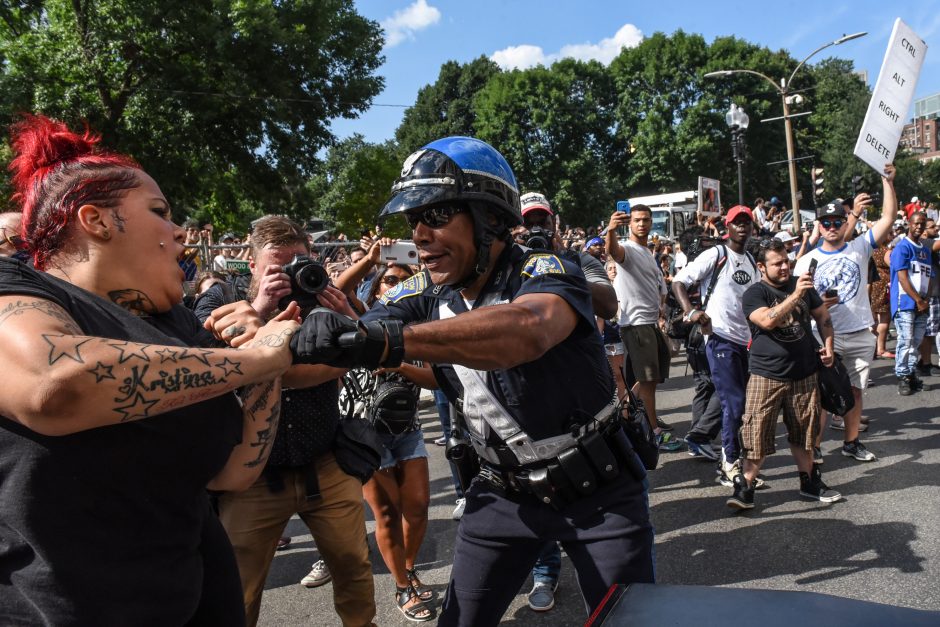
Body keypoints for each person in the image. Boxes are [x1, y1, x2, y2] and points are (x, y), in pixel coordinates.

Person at [289, 136, 654, 625]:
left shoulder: (546, 269)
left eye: (436, 215)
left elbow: (527, 329)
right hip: (502, 495)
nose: (419, 234)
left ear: (491, 219)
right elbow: (346, 344)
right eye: (412, 221)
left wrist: (382, 340)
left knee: (631, 621)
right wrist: (280, 336)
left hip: (599, 493)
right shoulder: (423, 289)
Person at [0, 114, 299, 624]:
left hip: (193, 597)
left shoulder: (175, 321)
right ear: (95, 220)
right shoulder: (18, 287)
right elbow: (53, 386)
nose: (180, 231)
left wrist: (269, 350)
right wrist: (255, 359)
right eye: (159, 211)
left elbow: (234, 472)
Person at [195, 215, 377, 627]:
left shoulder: (322, 301)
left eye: (301, 263)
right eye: (279, 267)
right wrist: (259, 308)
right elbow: (202, 364)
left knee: (354, 568)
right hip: (253, 478)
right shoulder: (220, 300)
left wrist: (347, 313)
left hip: (326, 462)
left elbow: (361, 354)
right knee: (236, 588)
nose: (293, 275)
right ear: (252, 265)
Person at [518, 191, 619, 613]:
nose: (537, 228)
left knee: (594, 489)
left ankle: (601, 580)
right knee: (535, 487)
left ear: (554, 222)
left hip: (584, 394)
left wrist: (557, 264)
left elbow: (609, 303)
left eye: (543, 220)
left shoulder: (579, 260)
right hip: (528, 397)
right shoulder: (506, 264)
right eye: (529, 222)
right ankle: (545, 571)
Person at [794, 166, 897, 462]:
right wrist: (818, 305)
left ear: (844, 222)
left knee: (854, 392)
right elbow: (797, 304)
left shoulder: (859, 248)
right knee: (823, 396)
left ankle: (851, 443)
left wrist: (887, 181)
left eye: (837, 221)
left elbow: (888, 217)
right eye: (825, 222)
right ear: (819, 226)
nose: (831, 226)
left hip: (860, 333)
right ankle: (814, 447)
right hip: (824, 337)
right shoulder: (806, 262)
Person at [729, 239, 839, 509]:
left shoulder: (800, 284)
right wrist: (795, 295)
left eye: (786, 261)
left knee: (805, 432)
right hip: (767, 374)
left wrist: (828, 345)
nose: (784, 267)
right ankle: (746, 488)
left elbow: (822, 314)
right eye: (777, 263)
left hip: (804, 373)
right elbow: (767, 320)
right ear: (761, 267)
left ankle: (809, 482)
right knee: (756, 433)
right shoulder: (754, 293)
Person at [355, 262, 435, 622]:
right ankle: (402, 586)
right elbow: (334, 293)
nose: (398, 286)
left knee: (417, 508)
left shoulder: (418, 330)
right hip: (366, 432)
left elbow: (435, 379)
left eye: (405, 281)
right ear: (375, 290)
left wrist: (399, 364)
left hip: (407, 428)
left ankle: (409, 567)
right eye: (390, 281)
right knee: (387, 513)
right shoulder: (359, 322)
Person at [673, 206, 759, 485]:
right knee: (733, 405)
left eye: (747, 222)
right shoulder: (717, 254)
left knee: (742, 407)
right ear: (728, 227)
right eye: (737, 222)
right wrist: (691, 312)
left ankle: (733, 463)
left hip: (746, 342)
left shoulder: (751, 260)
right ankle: (729, 466)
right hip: (720, 337)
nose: (742, 227)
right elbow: (678, 282)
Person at [605, 204, 681, 451]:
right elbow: (613, 251)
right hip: (636, 325)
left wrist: (661, 317)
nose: (642, 224)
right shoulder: (627, 249)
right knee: (646, 381)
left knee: (650, 380)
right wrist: (611, 230)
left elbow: (658, 289)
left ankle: (628, 419)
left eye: (646, 219)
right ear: (630, 223)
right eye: (637, 220)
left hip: (650, 324)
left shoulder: (647, 252)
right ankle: (652, 432)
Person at [890, 211, 940, 395]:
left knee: (916, 342)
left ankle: (911, 375)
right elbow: (902, 278)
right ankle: (902, 376)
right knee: (905, 340)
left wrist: (925, 300)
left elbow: (928, 278)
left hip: (922, 305)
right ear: (909, 224)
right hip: (906, 304)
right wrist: (918, 300)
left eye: (922, 223)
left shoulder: (925, 251)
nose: (919, 226)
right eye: (916, 223)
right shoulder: (903, 248)